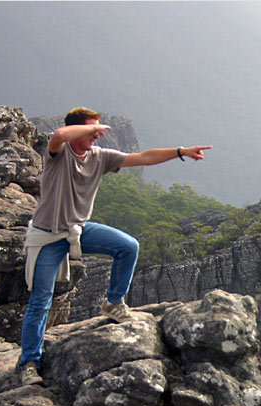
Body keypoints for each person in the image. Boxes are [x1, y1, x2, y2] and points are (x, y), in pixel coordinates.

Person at [18, 107, 211, 386]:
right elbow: (60, 134)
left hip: (79, 229)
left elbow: (143, 157)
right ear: (78, 130)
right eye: (92, 130)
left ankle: (113, 303)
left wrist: (180, 151)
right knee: (40, 301)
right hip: (48, 236)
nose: (97, 135)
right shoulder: (58, 155)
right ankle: (29, 364)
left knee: (128, 246)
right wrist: (89, 128)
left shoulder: (100, 157)